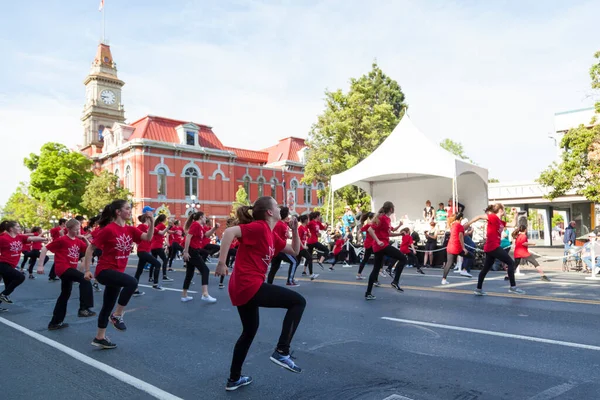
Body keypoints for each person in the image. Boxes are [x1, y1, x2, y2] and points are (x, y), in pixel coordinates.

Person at [216, 196, 305, 391]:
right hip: (248, 284)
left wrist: (295, 231)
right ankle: (282, 351)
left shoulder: (271, 234)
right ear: (270, 212)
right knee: (298, 302)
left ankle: (234, 378)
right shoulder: (259, 227)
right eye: (276, 204)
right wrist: (222, 262)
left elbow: (295, 251)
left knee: (249, 331)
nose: (280, 206)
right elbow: (229, 232)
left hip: (243, 286)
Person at [83, 200, 155, 349]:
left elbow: (147, 238)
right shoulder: (109, 229)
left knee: (107, 305)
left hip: (117, 272)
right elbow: (90, 249)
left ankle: (99, 337)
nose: (130, 211)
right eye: (127, 208)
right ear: (118, 212)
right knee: (132, 282)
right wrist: (87, 270)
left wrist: (152, 222)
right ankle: (117, 316)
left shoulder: (130, 230)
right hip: (105, 271)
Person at [37, 218, 96, 330]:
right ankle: (84, 308)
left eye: (79, 229)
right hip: (63, 268)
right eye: (76, 229)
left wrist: (84, 238)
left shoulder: (78, 241)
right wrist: (40, 265)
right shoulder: (62, 240)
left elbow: (90, 250)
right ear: (68, 229)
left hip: (69, 269)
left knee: (65, 295)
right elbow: (45, 249)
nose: (78, 232)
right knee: (84, 279)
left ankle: (55, 322)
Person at [467, 204, 524, 295]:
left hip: (491, 247)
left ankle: (478, 289)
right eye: (504, 210)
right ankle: (513, 287)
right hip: (493, 246)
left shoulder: (500, 222)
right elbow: (478, 217)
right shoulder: (492, 217)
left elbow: (513, 224)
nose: (505, 211)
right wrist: (467, 225)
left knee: (486, 269)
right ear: (500, 210)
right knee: (510, 262)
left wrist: (515, 214)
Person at [0, 220, 48, 309]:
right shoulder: (3, 238)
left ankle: (3, 296)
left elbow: (32, 239)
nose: (20, 228)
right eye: (17, 227)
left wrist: (43, 239)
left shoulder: (19, 237)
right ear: (11, 229)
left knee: (8, 286)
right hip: (3, 264)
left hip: (11, 265)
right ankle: (3, 295)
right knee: (20, 277)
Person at [365, 201, 406, 300]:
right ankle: (395, 281)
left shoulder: (386, 218)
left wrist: (400, 234)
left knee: (376, 269)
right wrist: (378, 241)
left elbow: (389, 233)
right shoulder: (382, 218)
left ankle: (368, 293)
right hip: (381, 246)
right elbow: (370, 230)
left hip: (380, 246)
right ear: (391, 209)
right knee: (403, 258)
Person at [182, 211, 216, 303]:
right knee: (205, 270)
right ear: (201, 217)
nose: (206, 219)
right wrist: (185, 252)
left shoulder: (200, 227)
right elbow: (188, 237)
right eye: (205, 217)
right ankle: (205, 294)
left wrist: (215, 228)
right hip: (192, 251)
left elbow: (207, 235)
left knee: (190, 273)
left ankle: (184, 295)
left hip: (193, 250)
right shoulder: (195, 225)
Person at [267, 207, 300, 287]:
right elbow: (287, 235)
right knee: (294, 261)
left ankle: (269, 283)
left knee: (274, 267)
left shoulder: (279, 223)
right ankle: (290, 280)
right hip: (281, 248)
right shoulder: (281, 225)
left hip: (275, 248)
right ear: (286, 215)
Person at [441, 213, 475, 285]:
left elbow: (461, 234)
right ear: (460, 219)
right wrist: (463, 248)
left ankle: (444, 279)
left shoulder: (453, 225)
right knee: (471, 256)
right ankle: (464, 270)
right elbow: (461, 237)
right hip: (457, 247)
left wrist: (469, 232)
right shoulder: (459, 226)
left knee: (449, 263)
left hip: (450, 246)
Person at [133, 214, 162, 293]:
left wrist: (169, 227)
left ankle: (135, 289)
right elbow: (134, 234)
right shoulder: (141, 226)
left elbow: (162, 233)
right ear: (147, 219)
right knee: (157, 264)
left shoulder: (151, 228)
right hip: (142, 251)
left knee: (139, 271)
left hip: (145, 251)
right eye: (151, 219)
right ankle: (155, 284)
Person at [150, 213, 173, 282]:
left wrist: (174, 231)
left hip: (153, 246)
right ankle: (164, 276)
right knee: (165, 260)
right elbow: (165, 232)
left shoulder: (157, 225)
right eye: (166, 218)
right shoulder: (162, 225)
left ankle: (150, 277)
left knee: (154, 262)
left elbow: (167, 231)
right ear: (164, 219)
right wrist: (169, 226)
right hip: (158, 246)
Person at [297, 215, 318, 280]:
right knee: (309, 258)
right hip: (300, 247)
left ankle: (291, 277)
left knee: (296, 262)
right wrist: (302, 246)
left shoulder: (305, 227)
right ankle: (311, 274)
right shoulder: (300, 228)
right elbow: (298, 238)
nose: (308, 221)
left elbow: (307, 235)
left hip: (303, 246)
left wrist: (309, 235)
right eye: (308, 219)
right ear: (305, 220)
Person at [357, 212, 375, 280]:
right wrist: (359, 238)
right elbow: (360, 231)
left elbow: (360, 231)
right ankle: (379, 272)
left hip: (370, 244)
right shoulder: (369, 224)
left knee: (365, 259)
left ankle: (359, 274)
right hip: (370, 244)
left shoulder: (372, 224)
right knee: (379, 257)